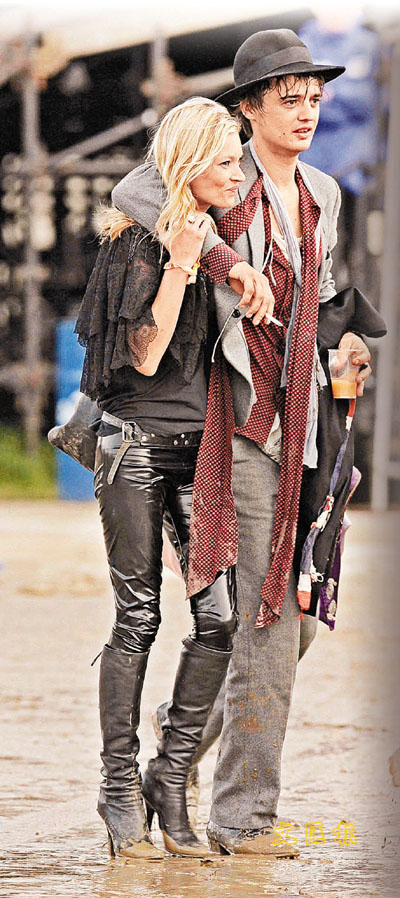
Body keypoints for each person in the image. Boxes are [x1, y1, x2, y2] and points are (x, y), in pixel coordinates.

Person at [112, 29, 378, 856]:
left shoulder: (323, 193)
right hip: (238, 425)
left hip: (304, 423)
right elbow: (132, 187)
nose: (306, 112)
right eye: (287, 99)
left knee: (296, 626)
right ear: (248, 109)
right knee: (269, 621)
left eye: (314, 99)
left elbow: (319, 298)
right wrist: (227, 260)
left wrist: (345, 342)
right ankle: (244, 821)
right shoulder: (222, 173)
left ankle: (174, 750)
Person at [75, 97, 275, 860]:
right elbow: (148, 355)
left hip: (201, 451)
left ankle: (169, 774)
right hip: (133, 447)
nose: (237, 174)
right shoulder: (134, 244)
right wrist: (182, 262)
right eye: (224, 162)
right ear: (190, 164)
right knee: (138, 617)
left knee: (218, 620)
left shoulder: (227, 241)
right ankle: (118, 785)